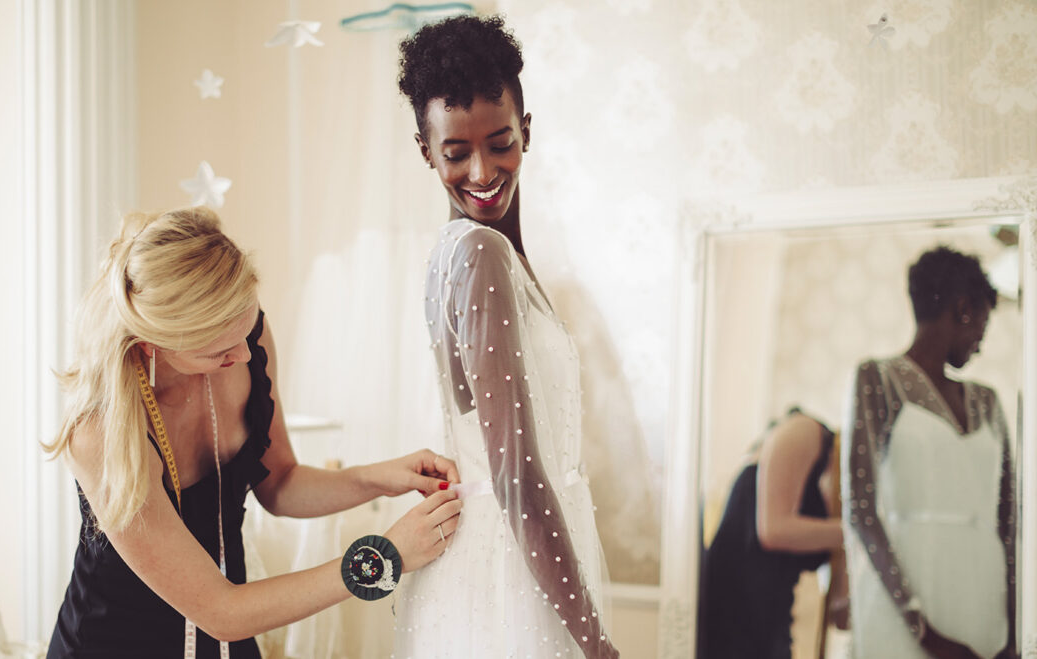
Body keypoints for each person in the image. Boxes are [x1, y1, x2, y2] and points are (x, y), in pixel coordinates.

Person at [44, 207, 463, 658]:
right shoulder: (99, 432)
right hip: (124, 642)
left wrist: (382, 477)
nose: (244, 355)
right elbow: (221, 611)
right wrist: (382, 559)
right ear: (153, 345)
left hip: (229, 636)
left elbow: (279, 484)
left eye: (246, 329)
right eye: (220, 351)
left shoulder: (243, 337)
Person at [391, 15, 618, 658]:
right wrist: (597, 644)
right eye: (456, 152)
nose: (484, 171)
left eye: (501, 142)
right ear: (425, 149)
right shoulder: (480, 254)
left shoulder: (462, 252)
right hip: (515, 576)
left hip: (501, 563)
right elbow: (516, 475)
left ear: (528, 131)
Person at [843, 246, 1016, 659]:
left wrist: (1016, 623)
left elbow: (1010, 518)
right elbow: (861, 512)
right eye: (984, 325)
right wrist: (922, 628)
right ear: (963, 309)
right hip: (904, 608)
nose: (981, 343)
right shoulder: (878, 379)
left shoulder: (989, 401)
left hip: (983, 603)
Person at [699, 408, 844, 658]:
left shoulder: (833, 502)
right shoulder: (807, 430)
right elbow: (773, 531)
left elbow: (841, 616)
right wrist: (856, 532)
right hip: (738, 607)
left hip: (769, 617)